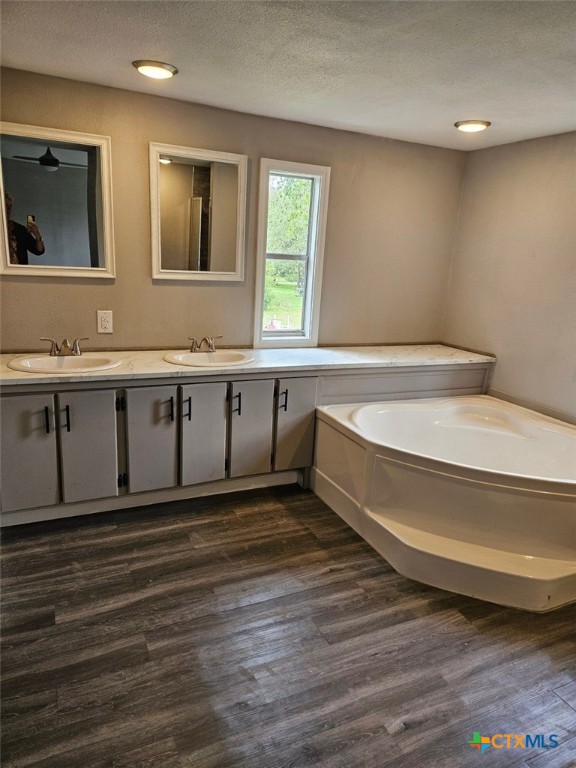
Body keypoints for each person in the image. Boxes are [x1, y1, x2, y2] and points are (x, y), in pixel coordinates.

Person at [4, 192, 45, 264]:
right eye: (5, 206)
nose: (8, 210)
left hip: (18, 272)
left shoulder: (19, 229)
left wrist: (38, 236)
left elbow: (39, 251)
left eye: (10, 207)